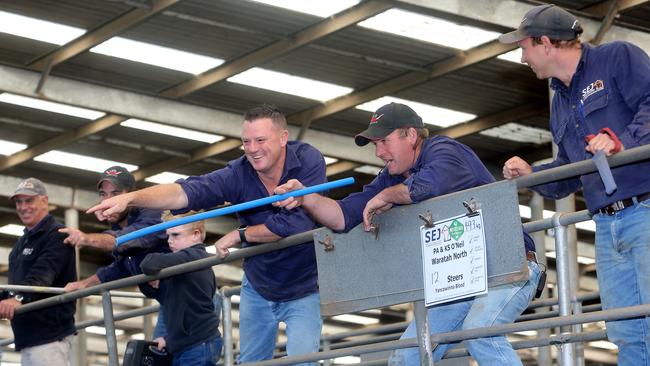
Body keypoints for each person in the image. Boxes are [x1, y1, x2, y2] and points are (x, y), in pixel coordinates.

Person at [274, 102, 542, 365]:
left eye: (384, 141)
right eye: (375, 144)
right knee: (406, 357)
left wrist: (388, 195)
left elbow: (428, 185)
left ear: (411, 135)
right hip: (461, 279)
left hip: (510, 265)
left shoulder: (444, 150)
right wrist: (306, 198)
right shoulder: (393, 175)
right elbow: (343, 216)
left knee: (481, 333)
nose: (379, 152)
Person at [87, 104, 327, 365]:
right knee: (250, 363)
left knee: (304, 362)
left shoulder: (307, 161)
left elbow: (297, 225)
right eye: (246, 141)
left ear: (283, 138)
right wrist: (132, 199)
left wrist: (240, 235)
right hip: (258, 286)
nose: (253, 149)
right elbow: (187, 191)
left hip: (304, 286)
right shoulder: (238, 173)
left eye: (260, 140)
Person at [498, 4, 650, 364]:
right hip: (607, 223)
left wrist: (621, 142)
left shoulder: (617, 58)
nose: (522, 57)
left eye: (524, 47)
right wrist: (534, 175)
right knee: (626, 332)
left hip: (645, 209)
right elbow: (570, 168)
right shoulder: (559, 103)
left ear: (546, 43)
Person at [60, 166, 170, 337]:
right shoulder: (121, 222)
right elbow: (122, 267)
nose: (107, 201)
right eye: (103, 194)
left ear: (130, 195)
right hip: (171, 301)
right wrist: (85, 284)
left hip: (189, 297)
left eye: (115, 194)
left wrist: (87, 239)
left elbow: (125, 240)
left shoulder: (152, 213)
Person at [0, 178, 76, 366]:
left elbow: (43, 276)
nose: (23, 207)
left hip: (49, 337)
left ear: (44, 201)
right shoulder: (21, 244)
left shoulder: (57, 235)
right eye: (19, 202)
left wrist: (17, 299)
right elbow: (14, 288)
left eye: (29, 200)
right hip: (28, 338)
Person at [140, 211, 222, 366]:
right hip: (187, 345)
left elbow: (148, 263)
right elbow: (155, 292)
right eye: (168, 236)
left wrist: (154, 271)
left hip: (198, 344)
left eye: (175, 235)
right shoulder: (178, 267)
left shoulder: (195, 256)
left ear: (196, 235)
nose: (169, 241)